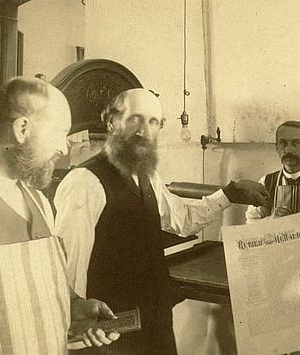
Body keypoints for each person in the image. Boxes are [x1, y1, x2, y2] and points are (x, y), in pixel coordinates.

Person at [54, 88, 270, 354]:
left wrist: (230, 193)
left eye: (153, 121)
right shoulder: (84, 181)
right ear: (111, 122)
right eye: (135, 118)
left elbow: (182, 220)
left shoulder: (147, 176)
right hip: (109, 332)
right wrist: (77, 329)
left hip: (154, 320)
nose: (144, 130)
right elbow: (68, 268)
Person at [0, 77, 121, 354]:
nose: (64, 147)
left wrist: (73, 306)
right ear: (22, 129)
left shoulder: (37, 199)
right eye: (59, 132)